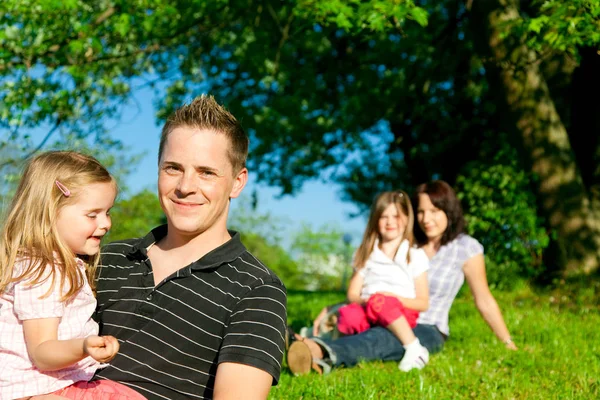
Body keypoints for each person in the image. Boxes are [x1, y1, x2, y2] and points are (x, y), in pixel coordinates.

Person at [91, 95, 287, 400]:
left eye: (206, 172)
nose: (185, 186)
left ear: (237, 182)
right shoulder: (105, 258)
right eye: (173, 168)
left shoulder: (257, 289)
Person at [291, 180, 517, 373]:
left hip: (428, 326)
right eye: (421, 211)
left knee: (383, 338)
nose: (426, 218)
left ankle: (320, 352)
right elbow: (374, 285)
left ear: (449, 211)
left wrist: (507, 342)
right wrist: (335, 306)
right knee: (355, 322)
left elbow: (483, 299)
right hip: (381, 311)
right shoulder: (407, 244)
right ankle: (307, 342)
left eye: (434, 211)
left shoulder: (466, 248)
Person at [0, 151, 144, 399]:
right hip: (35, 387)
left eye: (107, 212)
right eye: (92, 214)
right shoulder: (42, 270)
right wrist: (84, 346)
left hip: (50, 383)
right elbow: (43, 353)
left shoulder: (59, 264)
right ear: (50, 212)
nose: (106, 223)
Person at [289, 190, 430, 373]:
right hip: (370, 308)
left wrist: (389, 298)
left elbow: (423, 302)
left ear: (406, 218)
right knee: (349, 316)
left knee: (381, 302)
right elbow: (352, 293)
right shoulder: (368, 253)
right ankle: (314, 342)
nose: (390, 222)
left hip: (400, 313)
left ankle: (414, 347)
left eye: (396, 216)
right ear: (375, 220)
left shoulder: (414, 255)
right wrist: (368, 302)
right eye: (383, 217)